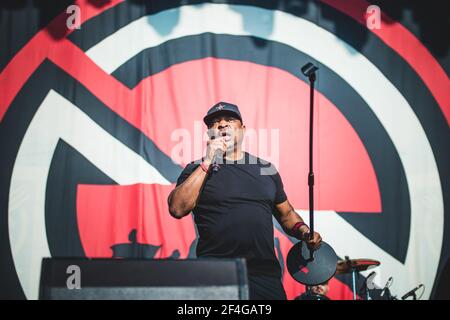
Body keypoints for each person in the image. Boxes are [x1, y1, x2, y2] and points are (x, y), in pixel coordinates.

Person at [168, 101, 322, 300]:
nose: (222, 124)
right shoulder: (194, 169)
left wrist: (304, 231)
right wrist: (208, 161)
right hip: (216, 274)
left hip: (264, 274)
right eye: (215, 122)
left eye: (229, 120)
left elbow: (287, 214)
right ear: (209, 134)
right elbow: (177, 208)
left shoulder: (266, 168)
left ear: (243, 130)